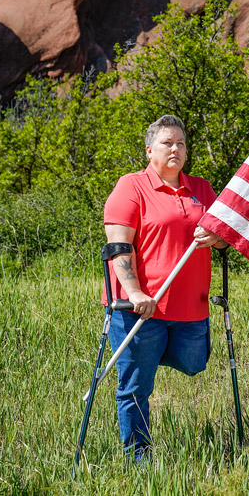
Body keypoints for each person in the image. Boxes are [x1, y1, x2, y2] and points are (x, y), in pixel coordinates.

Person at [101, 114, 224, 462]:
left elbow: (224, 237)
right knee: (136, 388)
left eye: (181, 143)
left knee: (195, 363)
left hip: (191, 307)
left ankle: (150, 357)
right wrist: (134, 292)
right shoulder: (131, 186)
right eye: (167, 143)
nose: (176, 149)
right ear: (149, 150)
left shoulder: (202, 188)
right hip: (141, 309)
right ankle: (138, 459)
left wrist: (217, 237)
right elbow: (118, 246)